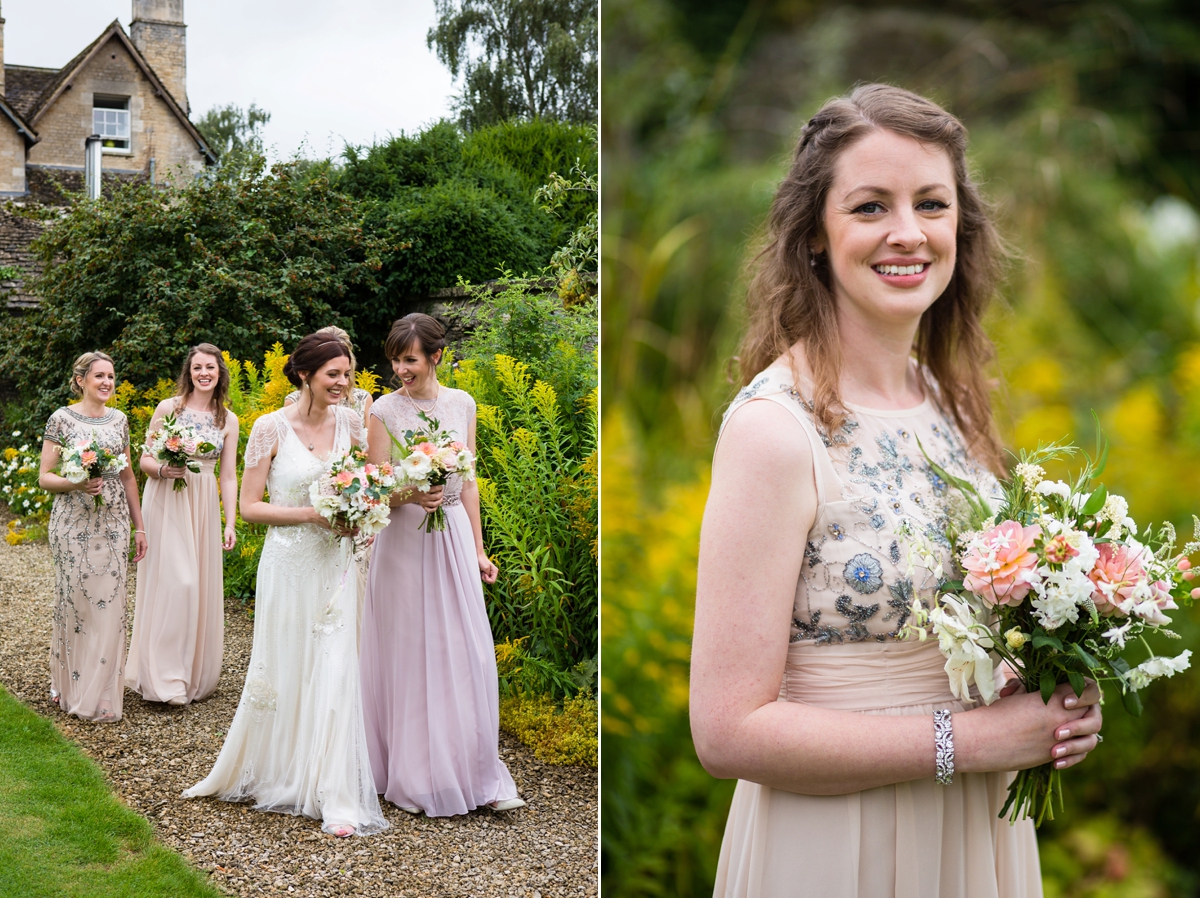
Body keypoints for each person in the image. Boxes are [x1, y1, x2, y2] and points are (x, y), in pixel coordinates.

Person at [690, 84, 1103, 897]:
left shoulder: (950, 402)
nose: (907, 233)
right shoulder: (776, 431)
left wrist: (1053, 688)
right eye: (871, 207)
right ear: (815, 232)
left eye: (931, 203)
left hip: (975, 833)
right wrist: (971, 741)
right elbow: (727, 731)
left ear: (960, 225)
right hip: (836, 844)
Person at [183, 334, 387, 837]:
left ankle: (335, 792)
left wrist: (358, 509)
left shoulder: (352, 423)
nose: (343, 384)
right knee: (287, 664)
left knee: (337, 667)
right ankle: (281, 771)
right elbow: (251, 506)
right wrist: (311, 515)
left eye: (347, 374)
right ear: (304, 375)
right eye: (333, 374)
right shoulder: (269, 428)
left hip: (336, 564)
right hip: (289, 563)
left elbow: (364, 483)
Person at [359, 313, 524, 816]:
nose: (399, 368)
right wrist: (412, 492)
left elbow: (468, 481)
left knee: (463, 652)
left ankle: (468, 769)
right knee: (410, 654)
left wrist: (478, 548)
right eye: (394, 358)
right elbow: (375, 491)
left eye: (409, 359)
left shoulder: (462, 404)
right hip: (403, 542)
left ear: (435, 356)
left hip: (450, 536)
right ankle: (415, 774)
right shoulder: (383, 410)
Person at [126, 344, 239, 705]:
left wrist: (230, 521)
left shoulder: (228, 420)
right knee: (180, 583)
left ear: (220, 372)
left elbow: (229, 476)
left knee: (198, 585)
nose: (204, 373)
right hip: (168, 497)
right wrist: (163, 469)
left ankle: (188, 673)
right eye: (197, 368)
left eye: (210, 367)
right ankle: (165, 678)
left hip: (203, 503)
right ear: (188, 373)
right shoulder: (168, 409)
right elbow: (143, 459)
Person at [38, 351, 148, 722]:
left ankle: (101, 694)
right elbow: (45, 477)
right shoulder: (61, 419)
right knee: (76, 602)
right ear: (81, 379)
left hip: (114, 520)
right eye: (99, 376)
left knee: (111, 605)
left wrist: (140, 526)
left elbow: (129, 476)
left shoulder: (120, 420)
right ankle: (69, 685)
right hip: (73, 522)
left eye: (111, 377)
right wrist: (77, 482)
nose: (106, 383)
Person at [284, 325, 373, 424]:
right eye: (333, 374)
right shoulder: (294, 402)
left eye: (346, 374)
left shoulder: (362, 399)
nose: (343, 382)